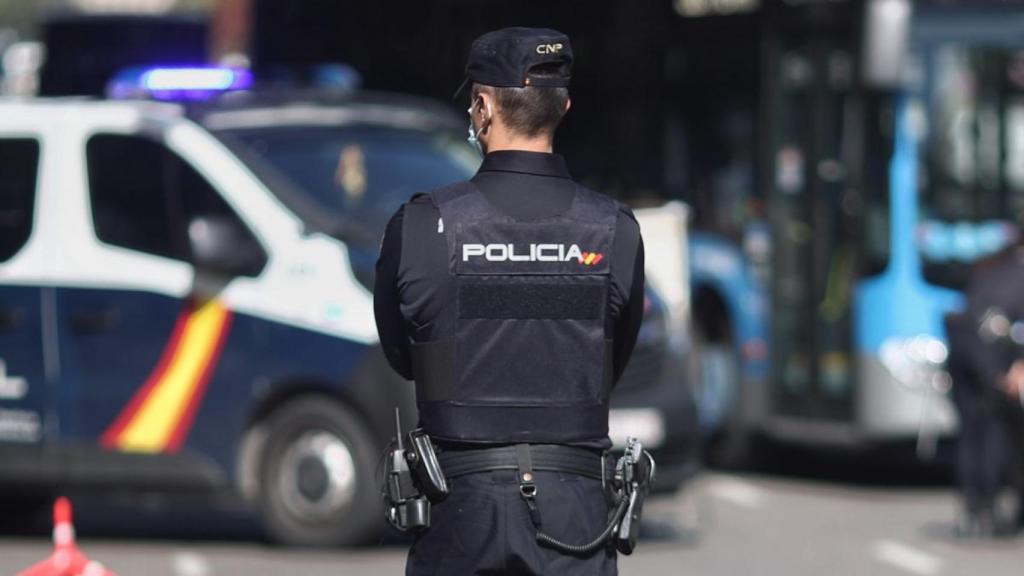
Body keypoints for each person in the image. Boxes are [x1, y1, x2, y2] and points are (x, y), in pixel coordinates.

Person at [374, 27, 645, 576]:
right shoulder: (614, 230)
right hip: (576, 519)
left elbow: (402, 355)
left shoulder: (424, 224)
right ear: (563, 106)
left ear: (482, 106)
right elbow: (610, 361)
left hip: (458, 512)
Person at [945, 239, 1024, 538]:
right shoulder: (1017, 273)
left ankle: (972, 509)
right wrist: (1012, 368)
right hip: (990, 361)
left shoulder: (992, 265)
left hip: (965, 356)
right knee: (993, 435)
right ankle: (987, 510)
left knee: (970, 435)